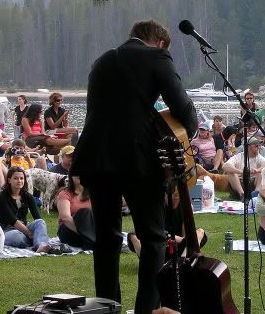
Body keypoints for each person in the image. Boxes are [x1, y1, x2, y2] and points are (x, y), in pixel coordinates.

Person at [71, 19, 197, 314]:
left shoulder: (101, 61)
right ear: (161, 42)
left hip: (96, 157)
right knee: (153, 237)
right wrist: (185, 134)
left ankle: (107, 308)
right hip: (137, 159)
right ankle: (146, 310)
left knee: (106, 238)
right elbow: (181, 105)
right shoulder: (158, 56)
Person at [0, 166, 51, 252]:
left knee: (40, 222)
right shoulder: (2, 197)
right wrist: (29, 233)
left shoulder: (28, 196)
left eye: (21, 178)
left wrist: (30, 230)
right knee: (18, 237)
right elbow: (13, 220)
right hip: (8, 230)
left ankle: (40, 245)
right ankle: (36, 240)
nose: (19, 181)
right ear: (9, 180)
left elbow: (37, 217)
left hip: (25, 226)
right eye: (16, 178)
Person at [56, 174, 95, 250]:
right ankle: (92, 243)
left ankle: (92, 242)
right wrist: (84, 232)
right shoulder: (64, 194)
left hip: (89, 232)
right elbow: (65, 218)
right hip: (69, 230)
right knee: (85, 212)